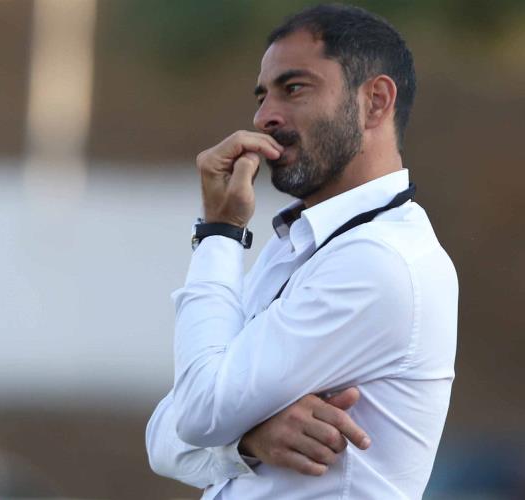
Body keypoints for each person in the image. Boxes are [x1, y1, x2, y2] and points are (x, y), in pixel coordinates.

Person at [146, 4, 458, 499]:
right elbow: (162, 439)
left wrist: (220, 233)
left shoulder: (380, 260)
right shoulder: (299, 244)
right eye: (262, 96)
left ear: (375, 102)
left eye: (293, 89)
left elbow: (197, 413)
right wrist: (247, 443)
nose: (263, 117)